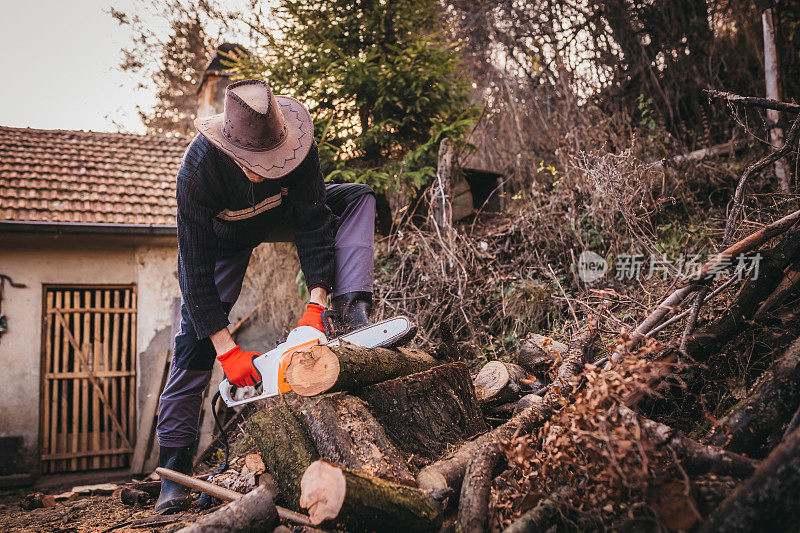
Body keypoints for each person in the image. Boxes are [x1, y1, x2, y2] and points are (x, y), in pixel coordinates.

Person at [155, 79, 375, 512]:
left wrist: (317, 303)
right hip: (225, 236)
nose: (268, 169)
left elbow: (314, 224)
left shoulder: (297, 146)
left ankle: (352, 312)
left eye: (274, 160)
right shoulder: (197, 173)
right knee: (194, 340)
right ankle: (174, 467)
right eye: (257, 164)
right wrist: (226, 349)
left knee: (357, 198)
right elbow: (195, 269)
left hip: (281, 215)